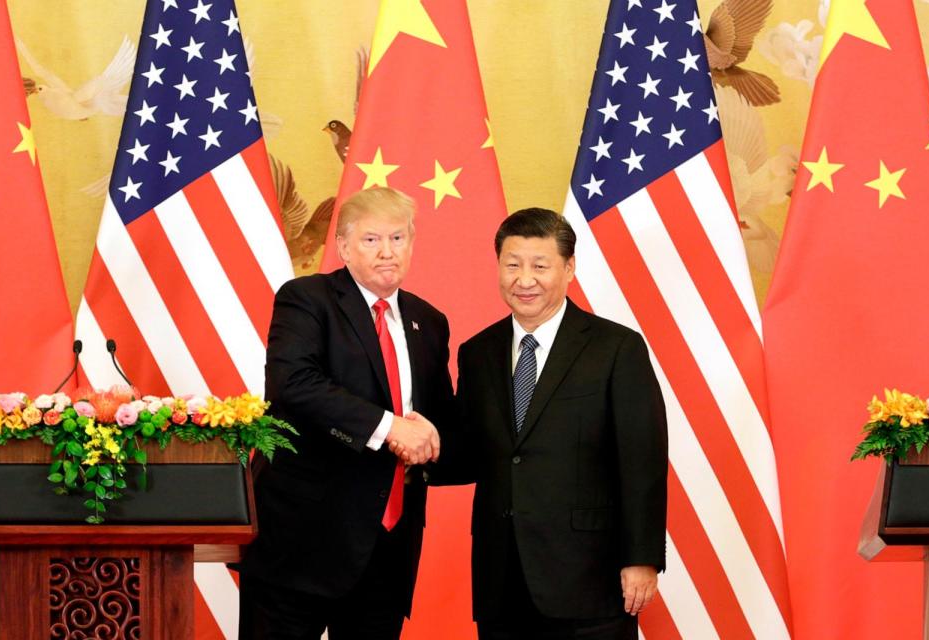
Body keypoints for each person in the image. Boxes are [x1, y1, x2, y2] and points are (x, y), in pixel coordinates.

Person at [409, 208, 668, 639]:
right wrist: (413, 449)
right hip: (501, 578)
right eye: (512, 264)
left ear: (568, 268)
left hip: (589, 578)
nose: (524, 279)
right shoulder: (478, 352)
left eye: (539, 266)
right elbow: (475, 453)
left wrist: (640, 558)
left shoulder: (616, 348)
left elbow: (642, 461)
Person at [238, 187, 453, 639]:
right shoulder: (307, 298)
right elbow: (293, 386)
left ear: (412, 245)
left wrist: (432, 433)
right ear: (343, 247)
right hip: (301, 544)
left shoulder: (429, 321)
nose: (387, 251)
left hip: (388, 548)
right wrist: (388, 425)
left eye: (398, 238)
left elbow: (436, 419)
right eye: (372, 239)